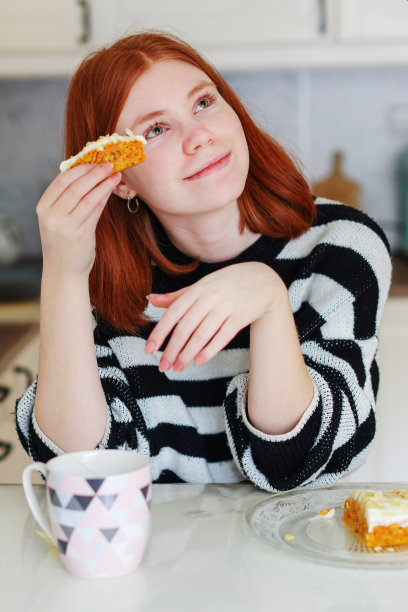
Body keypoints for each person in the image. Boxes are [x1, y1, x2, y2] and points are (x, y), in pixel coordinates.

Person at [16, 31, 391, 491]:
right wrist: (64, 273)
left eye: (204, 103)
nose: (199, 137)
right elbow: (82, 472)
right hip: (157, 557)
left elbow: (292, 463)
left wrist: (269, 299)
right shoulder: (101, 286)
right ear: (118, 178)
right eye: (156, 129)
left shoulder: (341, 247)